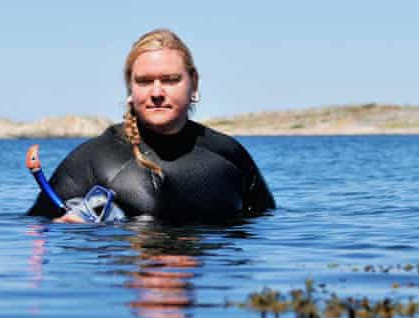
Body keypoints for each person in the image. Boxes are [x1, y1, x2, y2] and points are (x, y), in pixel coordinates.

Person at [27, 28, 275, 222]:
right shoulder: (92, 160)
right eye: (145, 81)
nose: (157, 92)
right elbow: (39, 230)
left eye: (170, 80)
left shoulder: (229, 155)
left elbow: (265, 223)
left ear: (194, 84)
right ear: (129, 87)